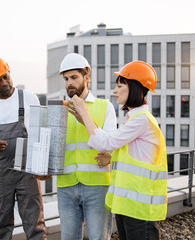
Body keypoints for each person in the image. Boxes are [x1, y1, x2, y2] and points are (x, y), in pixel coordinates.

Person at [69, 60, 168, 240]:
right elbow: (134, 155)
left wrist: (84, 112)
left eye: (120, 86)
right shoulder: (134, 119)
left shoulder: (141, 120)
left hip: (139, 209)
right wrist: (111, 157)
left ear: (136, 88)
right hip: (129, 206)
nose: (115, 91)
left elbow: (105, 143)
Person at [0, 56, 47, 240]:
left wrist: (42, 164)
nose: (4, 83)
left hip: (27, 170)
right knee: (1, 226)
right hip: (0, 173)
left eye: (6, 77)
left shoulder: (28, 97)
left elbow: (42, 134)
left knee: (35, 223)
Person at [57, 53, 116, 240]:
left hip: (97, 186)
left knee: (99, 237)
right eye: (66, 79)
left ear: (87, 78)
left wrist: (85, 118)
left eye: (74, 77)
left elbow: (110, 146)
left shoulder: (105, 107)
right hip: (66, 184)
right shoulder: (59, 109)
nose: (69, 83)